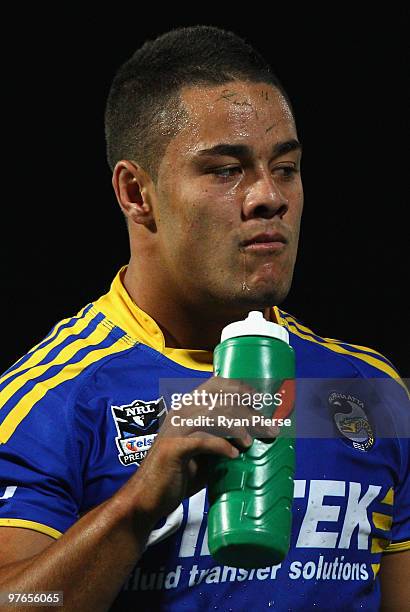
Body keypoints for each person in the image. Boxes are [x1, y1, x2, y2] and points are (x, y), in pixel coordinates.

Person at [0, 25, 408, 612]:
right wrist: (139, 502)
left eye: (286, 168)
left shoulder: (371, 392)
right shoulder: (53, 400)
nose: (269, 196)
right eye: (225, 170)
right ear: (136, 193)